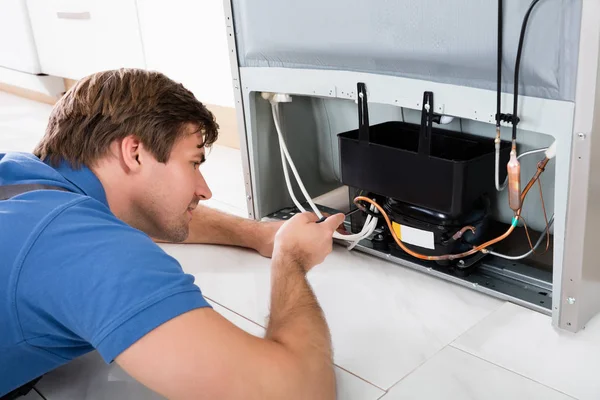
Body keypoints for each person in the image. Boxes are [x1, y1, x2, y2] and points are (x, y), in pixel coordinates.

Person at [0, 68, 345, 400]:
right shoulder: (83, 247)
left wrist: (256, 234)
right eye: (193, 163)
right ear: (134, 153)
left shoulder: (23, 178)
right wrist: (291, 258)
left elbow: (149, 211)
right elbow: (299, 391)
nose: (205, 190)